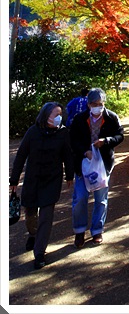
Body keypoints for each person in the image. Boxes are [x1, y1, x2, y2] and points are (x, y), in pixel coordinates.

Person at [9, 102, 74, 270]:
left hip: (52, 180)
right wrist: (14, 180)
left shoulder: (63, 133)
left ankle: (39, 252)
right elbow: (21, 156)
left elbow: (68, 155)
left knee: (46, 216)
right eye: (56, 115)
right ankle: (33, 234)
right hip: (33, 179)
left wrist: (70, 175)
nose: (59, 118)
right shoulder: (33, 132)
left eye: (60, 115)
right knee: (30, 213)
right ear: (46, 116)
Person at [69, 87, 124, 247]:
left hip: (103, 164)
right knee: (80, 198)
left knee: (101, 199)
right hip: (83, 164)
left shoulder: (111, 117)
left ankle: (97, 230)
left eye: (100, 104)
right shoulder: (79, 119)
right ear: (88, 104)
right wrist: (84, 151)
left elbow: (120, 135)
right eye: (94, 104)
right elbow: (73, 140)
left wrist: (106, 141)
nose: (97, 107)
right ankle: (79, 231)